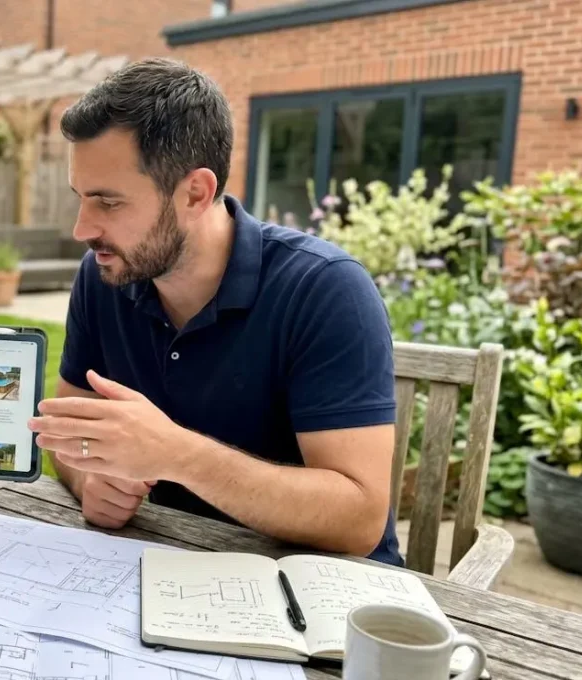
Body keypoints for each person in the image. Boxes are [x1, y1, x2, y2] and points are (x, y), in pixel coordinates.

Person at [27, 58, 402, 566]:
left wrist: (176, 454)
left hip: (315, 594)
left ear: (195, 193)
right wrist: (91, 477)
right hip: (166, 566)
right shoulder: (105, 275)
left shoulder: (324, 289)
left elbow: (359, 521)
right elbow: (68, 438)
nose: (82, 229)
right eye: (81, 198)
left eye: (108, 203)